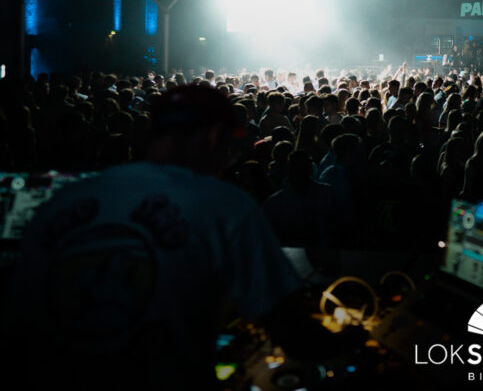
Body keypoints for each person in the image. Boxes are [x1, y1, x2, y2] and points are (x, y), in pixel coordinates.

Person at [1, 85, 338, 391]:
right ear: (214, 137)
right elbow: (292, 332)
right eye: (230, 148)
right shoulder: (224, 204)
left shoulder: (62, 202)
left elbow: (17, 325)